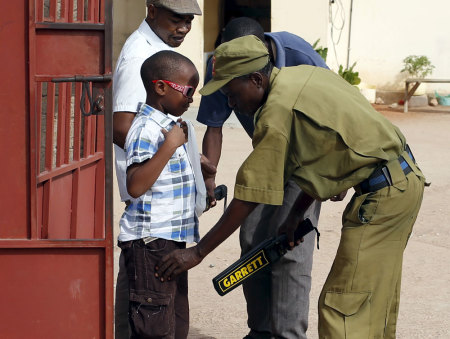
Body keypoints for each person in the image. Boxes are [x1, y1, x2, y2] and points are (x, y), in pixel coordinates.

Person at [155, 36, 426, 339]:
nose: (231, 104)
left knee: (343, 308)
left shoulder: (276, 114)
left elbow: (248, 196)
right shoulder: (304, 75)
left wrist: (198, 253)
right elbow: (315, 159)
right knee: (371, 301)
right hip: (402, 182)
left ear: (256, 79)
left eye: (232, 94)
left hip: (383, 195)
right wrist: (295, 216)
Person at [197, 17, 335, 339]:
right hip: (268, 150)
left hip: (307, 158)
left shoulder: (299, 55)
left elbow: (331, 112)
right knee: (252, 237)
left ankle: (287, 334)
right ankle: (261, 330)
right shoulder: (224, 65)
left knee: (290, 246)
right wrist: (209, 175)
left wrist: (331, 172)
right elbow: (214, 125)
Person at [112, 1, 202, 337]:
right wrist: (167, 149)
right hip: (151, 235)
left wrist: (193, 165)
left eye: (189, 21)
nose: (183, 28)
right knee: (150, 321)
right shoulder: (141, 57)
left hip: (172, 235)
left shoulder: (165, 60)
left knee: (170, 319)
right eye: (176, 19)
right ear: (151, 10)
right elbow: (123, 127)